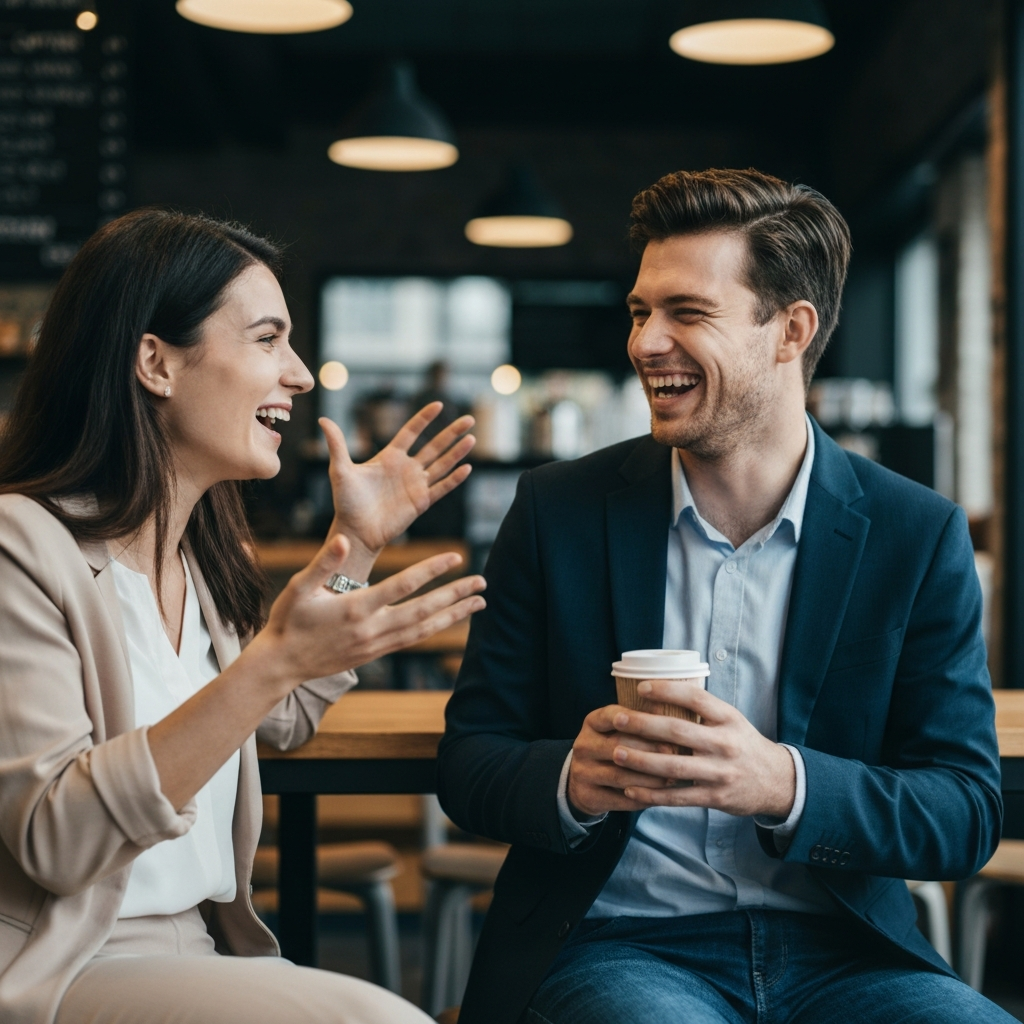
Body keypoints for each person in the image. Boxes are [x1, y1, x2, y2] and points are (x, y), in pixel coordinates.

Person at [438, 168, 1010, 1024]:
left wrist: (781, 782)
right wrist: (570, 779)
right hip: (620, 947)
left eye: (688, 313)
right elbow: (471, 760)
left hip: (847, 957)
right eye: (640, 312)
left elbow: (963, 811)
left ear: (791, 330)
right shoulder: (557, 511)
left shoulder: (913, 533)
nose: (644, 343)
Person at [0, 209, 486, 1024]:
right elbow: (59, 840)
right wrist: (273, 662)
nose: (299, 374)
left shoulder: (192, 560)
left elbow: (280, 720)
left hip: (200, 949)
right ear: (155, 362)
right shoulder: (21, 546)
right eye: (268, 339)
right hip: (69, 962)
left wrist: (356, 544)